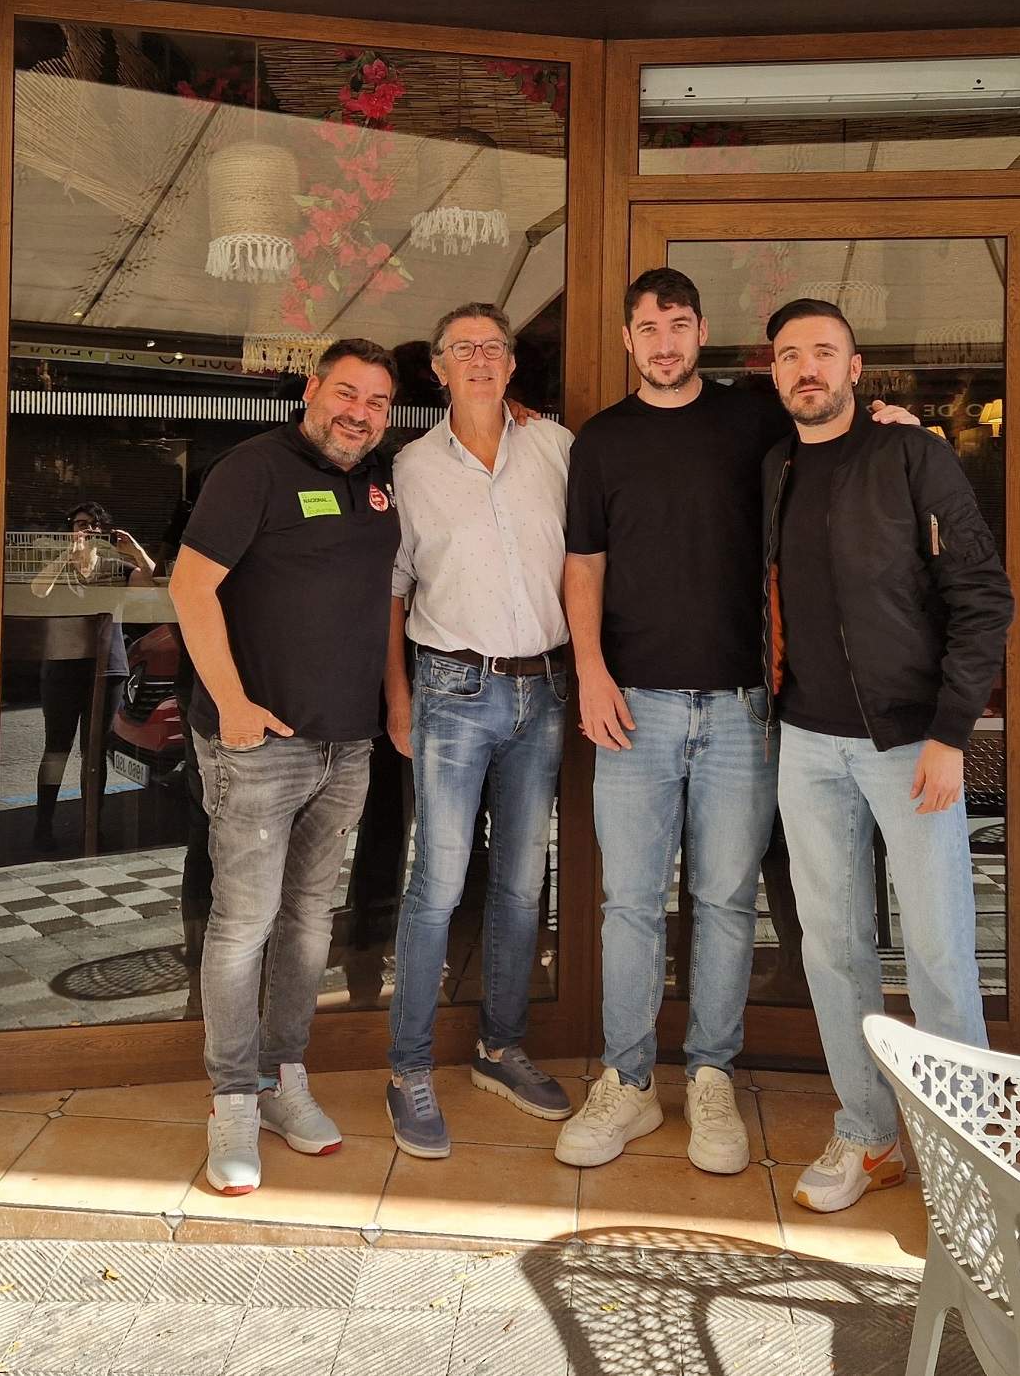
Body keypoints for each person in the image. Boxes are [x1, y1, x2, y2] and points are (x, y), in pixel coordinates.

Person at [554, 268, 917, 1177]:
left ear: (700, 331)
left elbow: (833, 432)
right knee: (629, 903)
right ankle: (629, 1084)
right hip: (631, 705)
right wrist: (591, 675)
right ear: (628, 340)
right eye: (648, 327)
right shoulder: (600, 440)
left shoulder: (753, 419)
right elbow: (583, 566)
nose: (666, 342)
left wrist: (897, 429)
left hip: (744, 711)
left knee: (723, 902)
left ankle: (710, 1076)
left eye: (680, 324)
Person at [760, 298, 1014, 1214]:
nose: (807, 369)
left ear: (857, 367)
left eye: (824, 352)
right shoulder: (776, 466)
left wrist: (952, 733)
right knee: (832, 949)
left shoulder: (914, 455)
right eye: (790, 356)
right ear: (774, 372)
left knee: (942, 952)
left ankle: (968, 1152)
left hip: (909, 744)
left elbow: (984, 597)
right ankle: (868, 1136)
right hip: (806, 741)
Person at [168, 337, 401, 1197]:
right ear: (314, 390)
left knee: (309, 921)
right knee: (243, 925)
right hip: (258, 743)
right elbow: (190, 589)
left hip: (347, 743)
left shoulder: (378, 487)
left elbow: (379, 604)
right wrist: (231, 707)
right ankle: (232, 1096)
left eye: (377, 402)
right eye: (347, 393)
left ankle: (282, 1079)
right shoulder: (253, 469)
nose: (359, 412)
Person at [381, 303, 575, 1158]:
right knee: (439, 885)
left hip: (546, 690)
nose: (480, 361)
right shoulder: (412, 466)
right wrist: (396, 694)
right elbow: (392, 589)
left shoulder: (558, 448)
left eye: (493, 348)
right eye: (463, 348)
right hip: (451, 686)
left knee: (523, 885)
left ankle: (500, 1048)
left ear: (512, 365)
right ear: (438, 367)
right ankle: (407, 1067)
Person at [28, 501, 153, 854]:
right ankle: (42, 827)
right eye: (81, 524)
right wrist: (68, 556)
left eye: (96, 526)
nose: (88, 531)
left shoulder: (116, 566)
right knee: (56, 748)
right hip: (62, 664)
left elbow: (150, 585)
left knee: (95, 752)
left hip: (106, 667)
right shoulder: (60, 564)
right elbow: (39, 589)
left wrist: (136, 550)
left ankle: (91, 829)